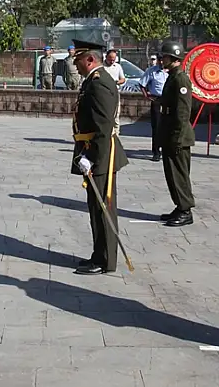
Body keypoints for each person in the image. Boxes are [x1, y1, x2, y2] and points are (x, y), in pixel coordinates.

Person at [69, 39, 129, 275]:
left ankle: (105, 260)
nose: (76, 65)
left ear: (90, 59)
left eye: (78, 61)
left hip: (102, 154)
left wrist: (91, 156)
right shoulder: (91, 81)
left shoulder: (100, 83)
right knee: (96, 206)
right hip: (94, 150)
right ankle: (99, 254)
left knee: (103, 207)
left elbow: (103, 127)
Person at [156, 39, 195, 227]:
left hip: (178, 135)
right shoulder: (172, 76)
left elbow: (183, 111)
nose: (161, 60)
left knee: (179, 174)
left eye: (164, 56)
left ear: (173, 57)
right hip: (170, 133)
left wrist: (178, 138)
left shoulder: (180, 78)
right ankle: (180, 206)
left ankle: (185, 209)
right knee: (172, 173)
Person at [139, 55, 169, 162]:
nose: (161, 62)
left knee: (168, 126)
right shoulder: (152, 71)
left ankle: (167, 149)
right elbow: (142, 84)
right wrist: (147, 96)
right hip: (156, 99)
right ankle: (156, 151)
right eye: (159, 60)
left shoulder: (170, 71)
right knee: (156, 126)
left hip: (169, 100)